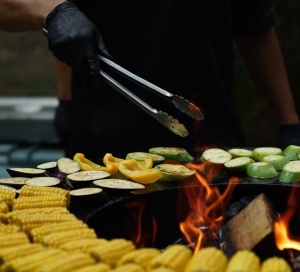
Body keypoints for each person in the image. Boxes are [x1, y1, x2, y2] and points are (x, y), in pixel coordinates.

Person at [1, 0, 300, 159]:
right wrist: (52, 12)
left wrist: (290, 124)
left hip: (212, 148)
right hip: (108, 155)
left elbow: (255, 27)